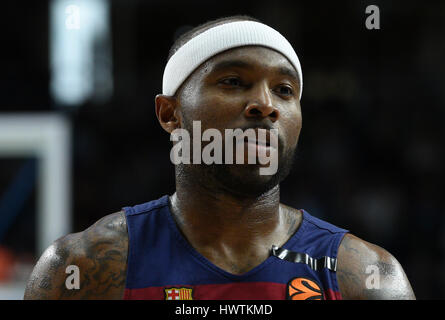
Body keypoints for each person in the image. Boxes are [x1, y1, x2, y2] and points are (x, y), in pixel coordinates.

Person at [24, 15, 415, 300]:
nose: (265, 104)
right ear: (169, 114)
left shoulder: (366, 277)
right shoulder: (83, 268)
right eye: (233, 82)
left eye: (283, 90)